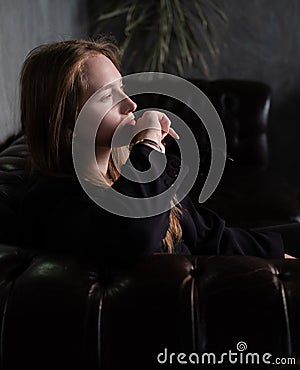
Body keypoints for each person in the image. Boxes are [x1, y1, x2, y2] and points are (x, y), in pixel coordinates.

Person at [18, 37, 296, 265]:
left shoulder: (124, 173)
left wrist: (279, 258)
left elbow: (211, 235)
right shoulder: (54, 201)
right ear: (65, 120)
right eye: (107, 97)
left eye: (122, 88)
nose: (130, 104)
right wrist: (149, 143)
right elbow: (136, 233)